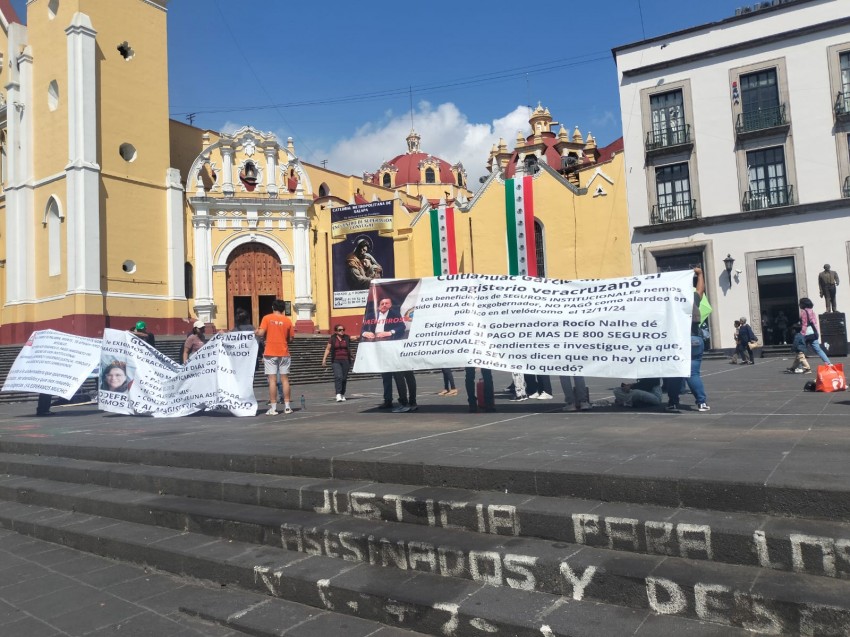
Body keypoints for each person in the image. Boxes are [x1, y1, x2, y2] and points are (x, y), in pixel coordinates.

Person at [666, 266, 710, 413]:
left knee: (674, 373)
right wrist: (700, 274)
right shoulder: (691, 299)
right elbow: (700, 290)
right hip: (694, 338)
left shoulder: (668, 302)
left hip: (675, 340)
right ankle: (701, 403)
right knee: (693, 373)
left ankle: (673, 402)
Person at [257, 299, 295, 415]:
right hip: (284, 352)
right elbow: (291, 339)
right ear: (283, 309)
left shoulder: (267, 318)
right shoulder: (287, 320)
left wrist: (254, 331)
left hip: (270, 352)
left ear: (273, 307)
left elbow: (261, 333)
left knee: (272, 380)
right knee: (285, 380)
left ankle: (273, 408)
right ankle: (287, 407)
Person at [322, 324, 358, 402]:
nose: (342, 331)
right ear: (336, 331)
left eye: (343, 329)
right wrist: (324, 359)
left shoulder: (346, 337)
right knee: (338, 376)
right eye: (340, 330)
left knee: (344, 378)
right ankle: (338, 394)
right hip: (336, 360)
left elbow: (355, 338)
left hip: (346, 360)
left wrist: (363, 335)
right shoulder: (332, 339)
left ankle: (342, 394)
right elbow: (328, 349)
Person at [800, 297, 831, 364]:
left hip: (806, 333)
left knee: (800, 350)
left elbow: (804, 324)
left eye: (800, 303)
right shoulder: (812, 311)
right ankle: (828, 363)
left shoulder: (804, 312)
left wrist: (802, 333)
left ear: (803, 304)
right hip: (813, 333)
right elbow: (814, 323)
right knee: (818, 349)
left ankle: (800, 366)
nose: (799, 305)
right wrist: (816, 332)